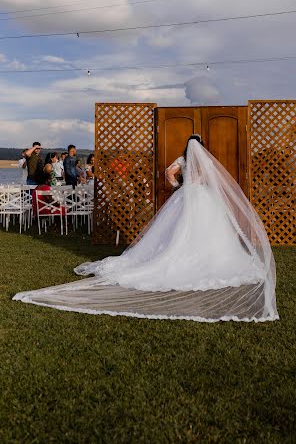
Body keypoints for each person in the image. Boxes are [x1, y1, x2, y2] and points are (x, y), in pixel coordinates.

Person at [13, 134, 278, 323]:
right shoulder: (207, 161)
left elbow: (168, 173)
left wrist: (178, 186)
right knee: (208, 231)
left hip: (186, 196)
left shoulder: (182, 159)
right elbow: (214, 181)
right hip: (204, 198)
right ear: (203, 147)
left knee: (176, 231)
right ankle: (207, 258)